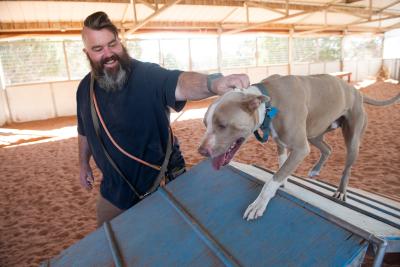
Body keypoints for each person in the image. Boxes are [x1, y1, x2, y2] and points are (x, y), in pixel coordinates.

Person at [77, 11, 250, 227]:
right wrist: (83, 164)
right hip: (114, 192)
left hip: (162, 184)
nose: (108, 53)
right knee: (106, 244)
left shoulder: (146, 75)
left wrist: (212, 84)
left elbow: (180, 82)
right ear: (86, 52)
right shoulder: (84, 89)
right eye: (98, 49)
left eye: (112, 44)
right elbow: (84, 131)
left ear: (120, 41)